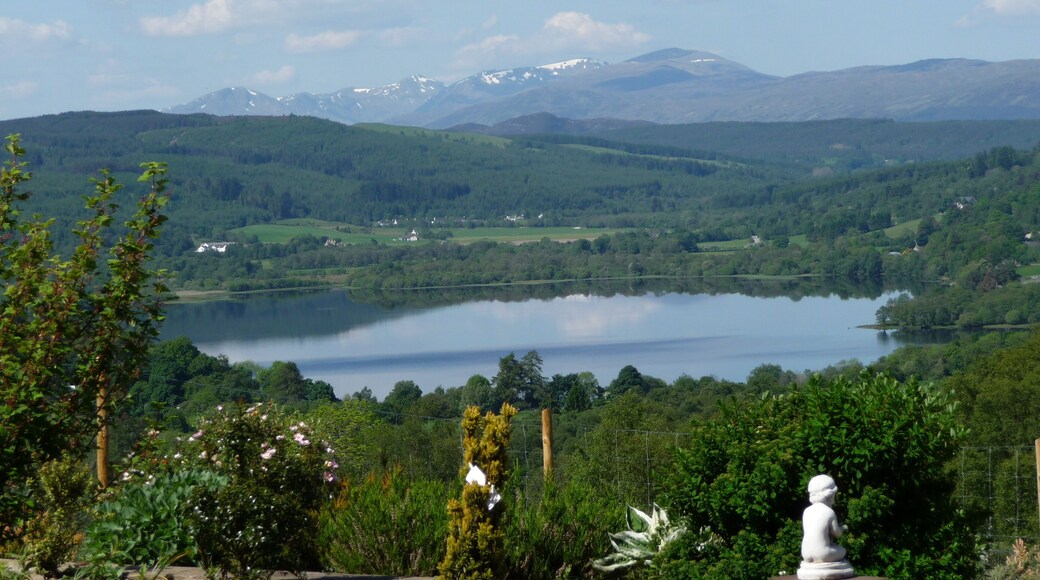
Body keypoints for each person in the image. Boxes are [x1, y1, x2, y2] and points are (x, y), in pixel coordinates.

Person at [800, 474, 847, 563]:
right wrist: (843, 528)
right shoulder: (829, 512)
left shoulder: (806, 511)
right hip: (822, 554)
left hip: (805, 553)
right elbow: (837, 534)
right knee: (842, 550)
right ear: (830, 495)